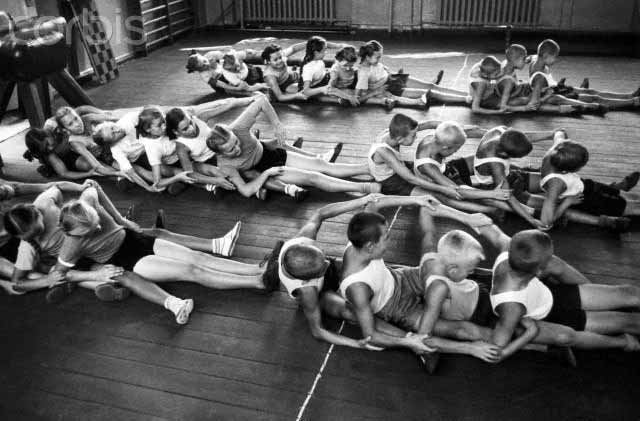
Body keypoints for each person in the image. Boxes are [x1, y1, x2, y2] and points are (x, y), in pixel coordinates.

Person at [338, 197, 503, 362]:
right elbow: (370, 335)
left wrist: (417, 200)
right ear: (370, 247)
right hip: (396, 308)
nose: (389, 240)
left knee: (438, 264)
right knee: (452, 331)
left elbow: (374, 203)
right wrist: (407, 341)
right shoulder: (357, 287)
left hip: (401, 277)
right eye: (386, 238)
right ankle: (477, 347)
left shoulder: (362, 235)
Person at [484, 228, 640, 359]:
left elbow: (493, 231)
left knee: (630, 293)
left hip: (551, 295)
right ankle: (622, 341)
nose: (552, 258)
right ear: (539, 271)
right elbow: (498, 345)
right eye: (548, 258)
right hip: (553, 318)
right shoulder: (512, 307)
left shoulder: (507, 254)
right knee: (628, 322)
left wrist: (466, 216)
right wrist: (529, 335)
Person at [206, 93, 380, 199]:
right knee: (313, 178)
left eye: (236, 142)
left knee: (322, 165)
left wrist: (276, 124)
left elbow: (261, 100)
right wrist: (266, 173)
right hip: (265, 169)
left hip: (270, 152)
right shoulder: (225, 165)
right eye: (231, 149)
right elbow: (245, 191)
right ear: (221, 154)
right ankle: (362, 187)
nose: (237, 147)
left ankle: (367, 168)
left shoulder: (237, 128)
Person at [92, 97, 258, 193]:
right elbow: (158, 179)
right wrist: (151, 187)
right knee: (161, 171)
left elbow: (210, 110)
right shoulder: (129, 148)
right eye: (112, 135)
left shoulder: (135, 121)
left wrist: (245, 101)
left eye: (112, 128)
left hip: (192, 152)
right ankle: (207, 184)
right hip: (157, 159)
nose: (164, 127)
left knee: (225, 140)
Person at [516, 130, 639, 232]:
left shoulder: (551, 154)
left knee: (614, 193)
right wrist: (567, 202)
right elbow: (546, 223)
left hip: (585, 185)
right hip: (588, 199)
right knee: (627, 206)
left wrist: (561, 139)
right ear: (566, 171)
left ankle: (618, 188)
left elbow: (559, 132)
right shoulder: (556, 185)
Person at [526, 39, 639, 112]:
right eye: (555, 57)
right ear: (546, 56)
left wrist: (526, 58)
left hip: (558, 88)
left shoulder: (536, 58)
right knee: (595, 98)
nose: (555, 60)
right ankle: (633, 101)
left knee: (592, 92)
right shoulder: (539, 77)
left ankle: (629, 95)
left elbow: (532, 56)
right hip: (557, 92)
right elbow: (536, 101)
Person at [367, 114, 464, 199]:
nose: (416, 137)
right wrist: (444, 189)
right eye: (413, 136)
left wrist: (451, 130)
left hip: (399, 167)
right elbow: (410, 179)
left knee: (429, 176)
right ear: (400, 139)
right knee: (436, 196)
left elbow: (429, 124)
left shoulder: (394, 132)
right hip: (392, 183)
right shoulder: (384, 151)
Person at [355, 40, 465, 109]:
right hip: (392, 87)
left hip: (394, 78)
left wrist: (387, 70)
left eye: (381, 56)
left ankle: (466, 94)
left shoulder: (372, 62)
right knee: (430, 92)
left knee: (431, 86)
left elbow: (380, 70)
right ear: (368, 57)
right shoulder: (363, 72)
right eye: (378, 57)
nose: (380, 59)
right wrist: (378, 91)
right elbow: (359, 98)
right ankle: (466, 99)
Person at [185, 48, 266, 96]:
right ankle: (248, 92)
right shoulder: (205, 76)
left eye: (204, 61)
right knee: (236, 89)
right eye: (202, 66)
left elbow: (229, 58)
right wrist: (236, 88)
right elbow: (222, 85)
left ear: (202, 56)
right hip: (223, 83)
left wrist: (240, 58)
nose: (206, 64)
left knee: (253, 70)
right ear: (199, 70)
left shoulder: (211, 55)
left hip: (229, 71)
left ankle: (259, 73)